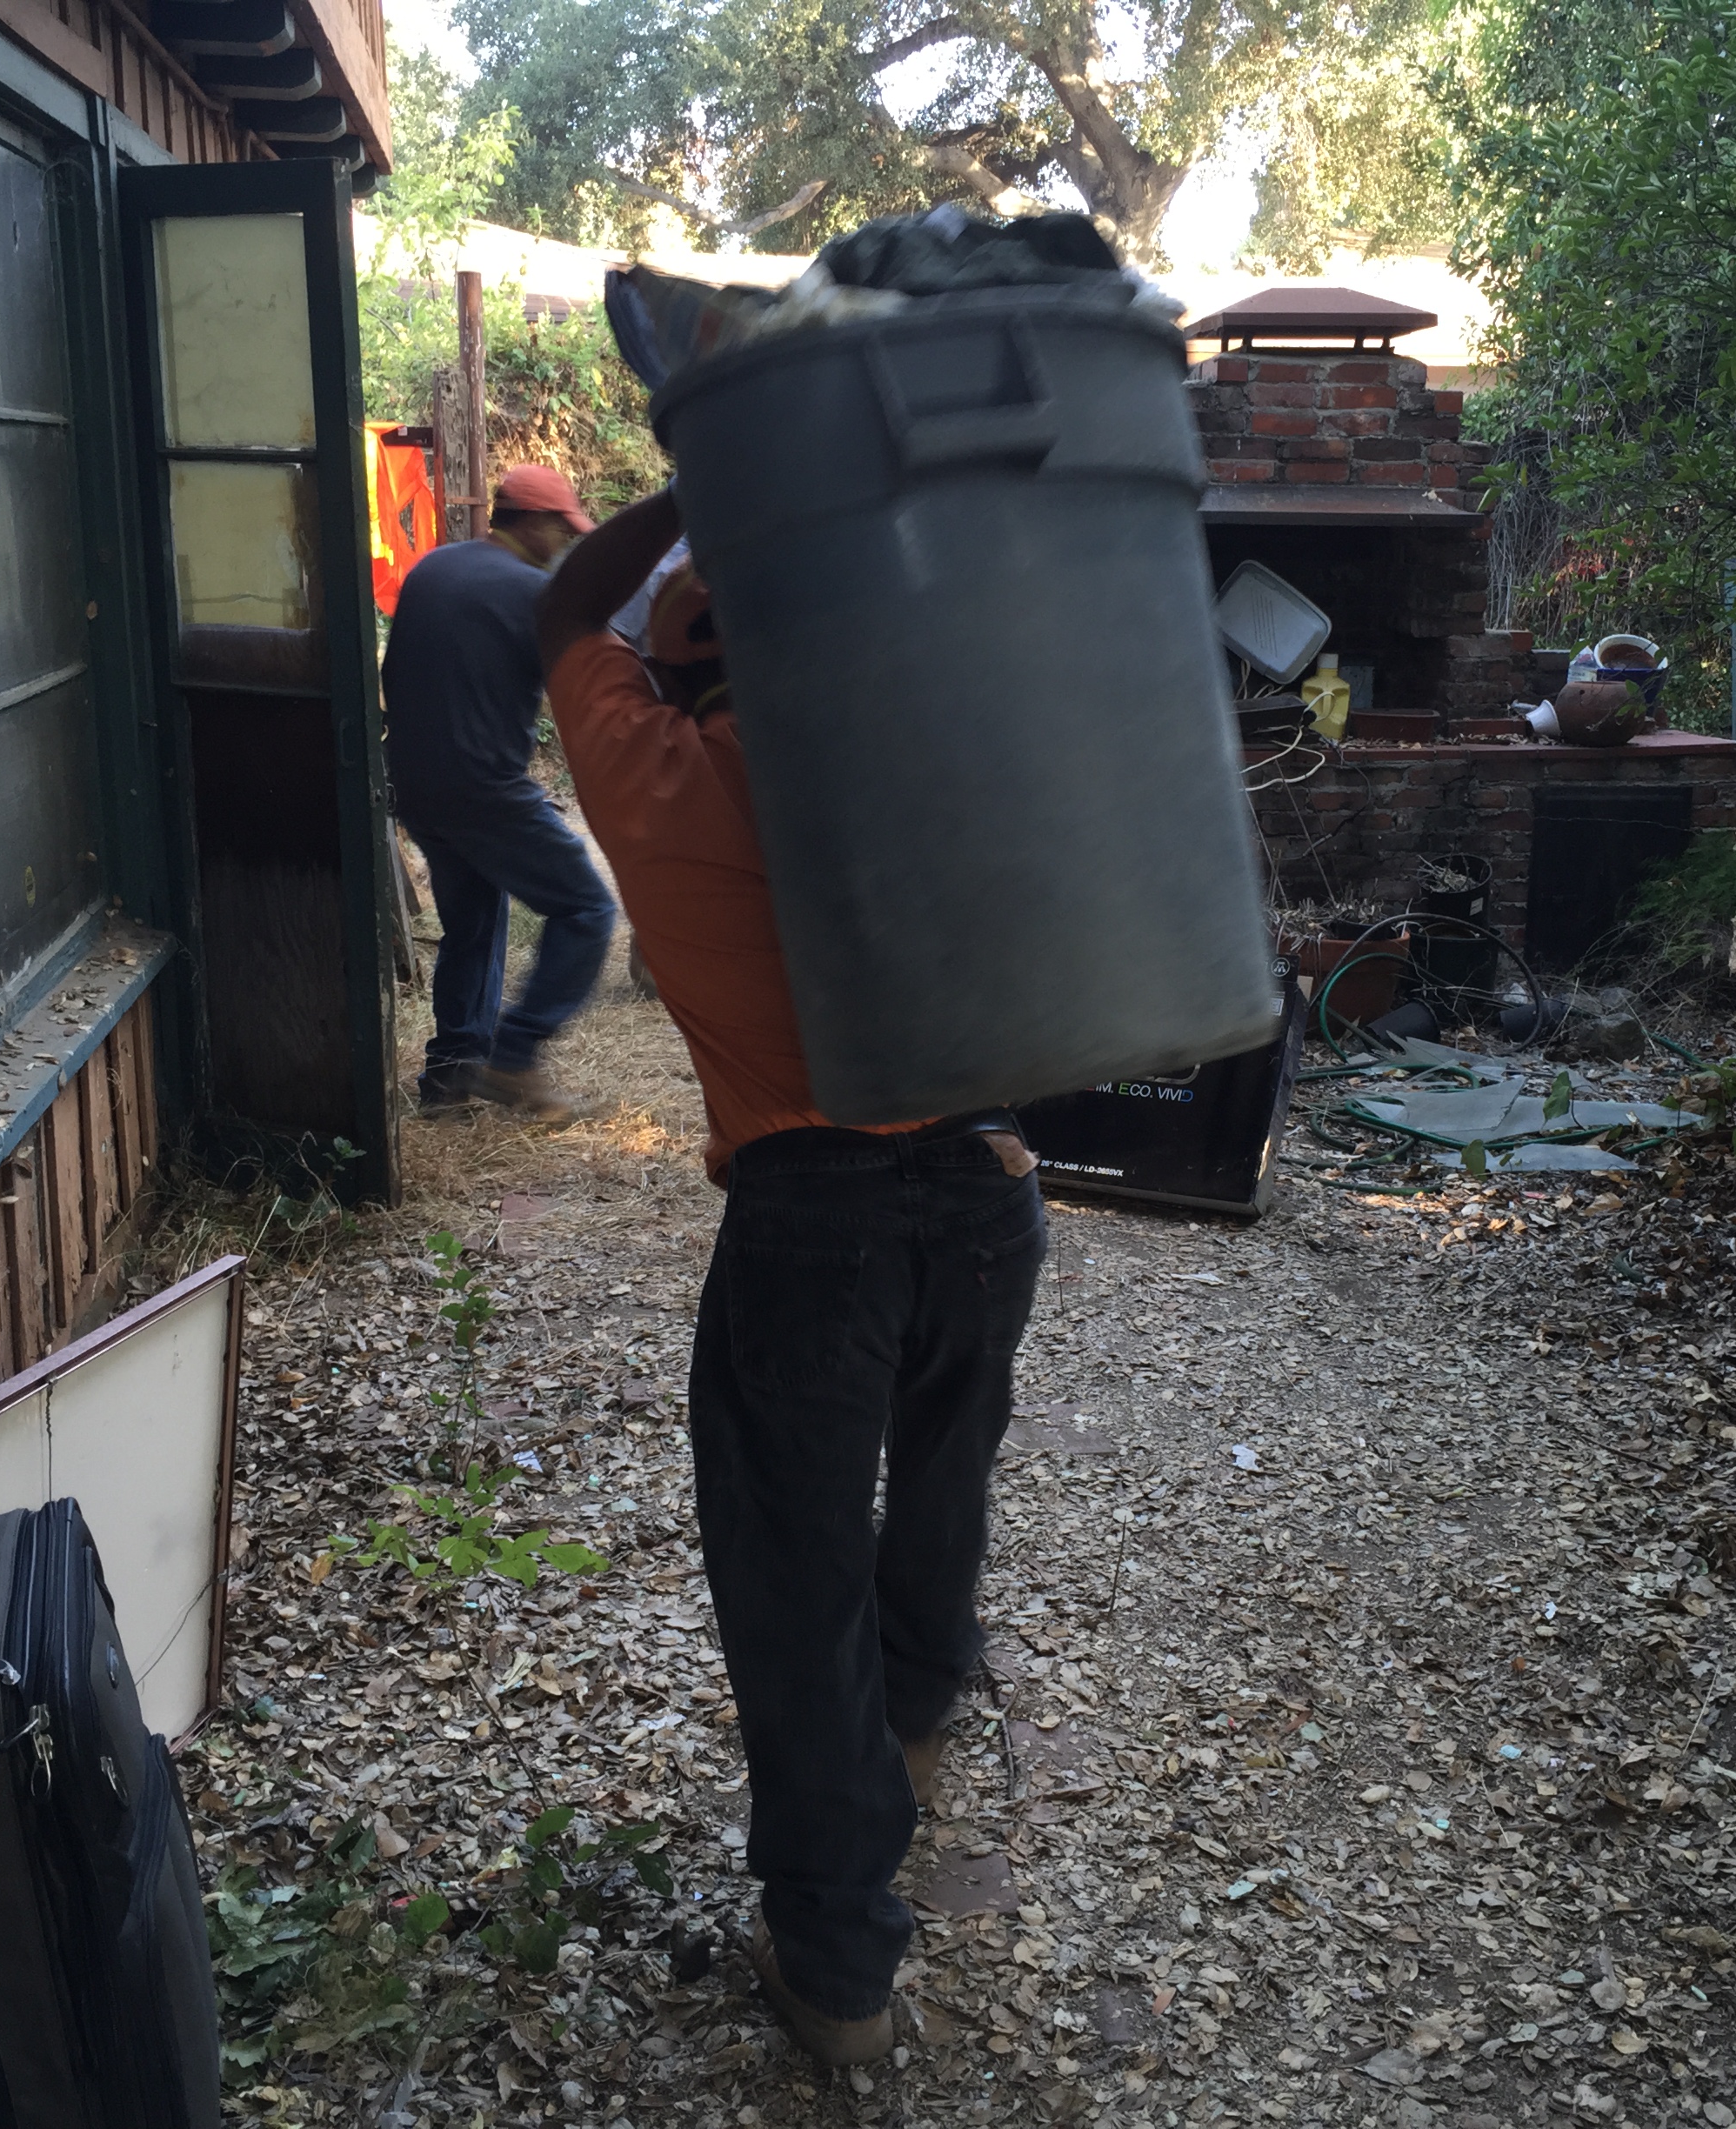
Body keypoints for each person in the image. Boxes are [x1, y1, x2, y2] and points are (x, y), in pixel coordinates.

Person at [531, 489, 1047, 2067]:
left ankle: (837, 1964)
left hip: (804, 1211)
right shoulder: (931, 752)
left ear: (682, 672)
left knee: (789, 1567)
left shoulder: (653, 768)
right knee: (944, 1467)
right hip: (985, 1188)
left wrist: (700, 480)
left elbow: (564, 612)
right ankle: (921, 1698)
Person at [380, 463, 618, 1118]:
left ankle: (450, 1079)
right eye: (562, 530)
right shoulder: (531, 594)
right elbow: (594, 690)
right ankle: (514, 1058)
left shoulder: (434, 567)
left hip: (419, 785)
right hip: (483, 786)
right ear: (536, 524)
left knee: (474, 921)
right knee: (587, 909)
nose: (565, 544)